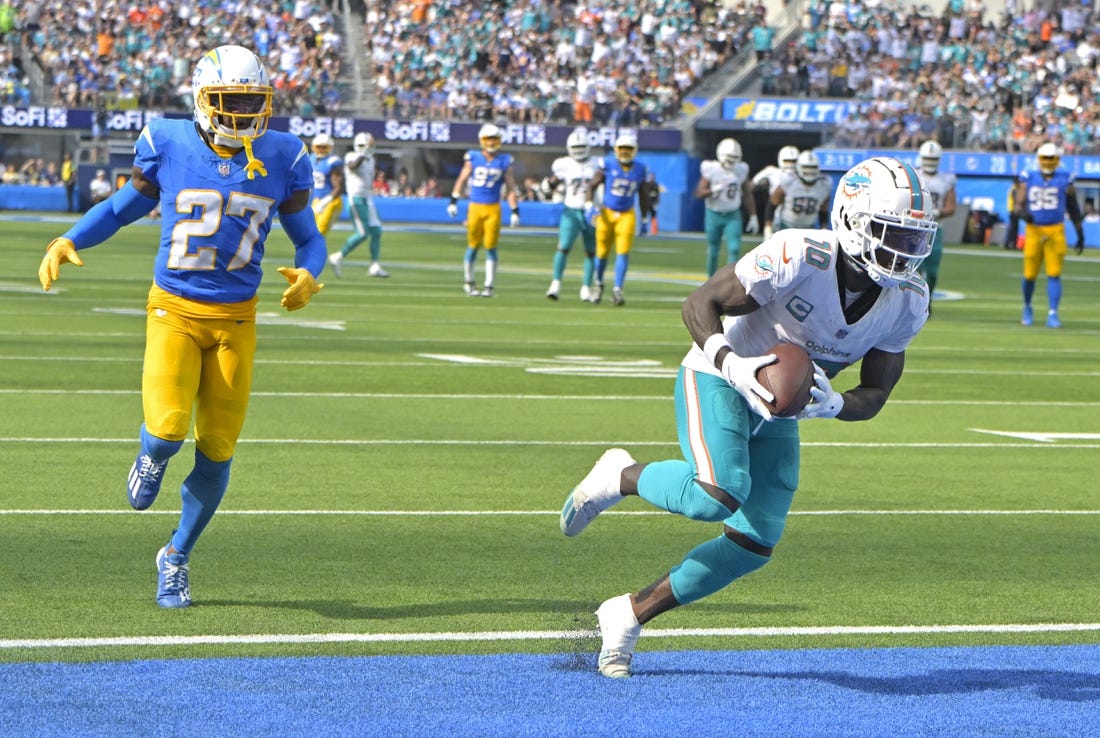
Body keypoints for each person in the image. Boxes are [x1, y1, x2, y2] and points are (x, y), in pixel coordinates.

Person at [560, 156, 937, 679]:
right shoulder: (799, 253)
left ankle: (627, 613)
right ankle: (619, 475)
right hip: (720, 376)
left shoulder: (908, 301)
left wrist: (833, 405)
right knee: (717, 494)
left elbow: (876, 392)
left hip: (780, 411)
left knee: (754, 543)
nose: (903, 251)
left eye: (913, 239)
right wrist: (729, 362)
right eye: (890, 233)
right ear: (851, 219)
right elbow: (700, 303)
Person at [36, 45, 326, 609]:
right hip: (174, 308)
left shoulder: (286, 155)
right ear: (200, 99)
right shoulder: (166, 141)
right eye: (228, 100)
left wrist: (311, 275)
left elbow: (308, 237)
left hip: (237, 319)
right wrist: (69, 237)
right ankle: (151, 453)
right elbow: (122, 208)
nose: (242, 112)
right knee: (168, 430)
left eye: (251, 99)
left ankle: (176, 555)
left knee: (217, 450)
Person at [1013, 142, 1084, 328]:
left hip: (1056, 230)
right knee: (1029, 274)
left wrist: (1079, 230)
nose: (1048, 161)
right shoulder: (1029, 176)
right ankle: (1027, 306)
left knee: (1054, 273)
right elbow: (1018, 204)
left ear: (1058, 159)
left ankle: (1053, 312)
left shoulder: (1065, 178)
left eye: (1051, 158)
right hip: (1034, 230)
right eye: (1045, 158)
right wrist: (1022, 214)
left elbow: (1073, 206)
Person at [447, 122, 520, 297]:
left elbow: (510, 188)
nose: (491, 143)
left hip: (493, 208)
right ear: (482, 140)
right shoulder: (473, 157)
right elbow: (462, 179)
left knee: (491, 247)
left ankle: (489, 285)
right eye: (488, 139)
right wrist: (453, 200)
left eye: (494, 139)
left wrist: (515, 210)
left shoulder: (505, 161)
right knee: (472, 246)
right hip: (475, 207)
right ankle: (469, 281)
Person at [584, 131, 651, 306]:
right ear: (616, 149)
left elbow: (643, 195)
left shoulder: (640, 169)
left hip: (627, 214)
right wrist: (589, 206)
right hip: (606, 212)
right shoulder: (607, 164)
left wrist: (645, 219)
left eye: (629, 149)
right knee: (602, 253)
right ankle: (598, 284)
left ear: (635, 150)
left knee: (623, 252)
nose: (625, 152)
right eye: (622, 149)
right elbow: (591, 186)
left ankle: (617, 289)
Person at [544, 130, 598, 301]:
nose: (579, 151)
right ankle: (555, 284)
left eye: (582, 147)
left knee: (590, 252)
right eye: (576, 147)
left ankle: (585, 288)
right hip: (571, 209)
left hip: (591, 211)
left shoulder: (597, 163)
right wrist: (548, 185)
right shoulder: (564, 164)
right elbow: (554, 181)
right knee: (563, 247)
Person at [327, 132, 388, 278]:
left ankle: (374, 265)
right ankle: (337, 256)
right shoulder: (351, 156)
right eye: (363, 146)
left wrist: (367, 153)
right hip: (356, 199)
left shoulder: (371, 160)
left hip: (368, 199)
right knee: (362, 233)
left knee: (377, 231)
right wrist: (365, 152)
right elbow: (353, 166)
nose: (365, 149)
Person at [694, 137, 758, 276]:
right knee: (713, 251)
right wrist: (712, 191)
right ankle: (710, 281)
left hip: (732, 214)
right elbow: (699, 193)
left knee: (734, 249)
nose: (731, 160)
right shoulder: (711, 169)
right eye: (728, 157)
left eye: (734, 157)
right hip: (713, 213)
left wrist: (753, 215)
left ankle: (730, 281)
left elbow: (747, 193)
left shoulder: (741, 169)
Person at [915, 140, 957, 300]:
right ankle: (916, 300)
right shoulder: (915, 176)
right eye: (927, 159)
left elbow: (951, 207)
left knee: (932, 271)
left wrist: (937, 212)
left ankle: (928, 298)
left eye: (933, 159)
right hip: (916, 227)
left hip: (935, 229)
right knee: (915, 268)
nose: (930, 162)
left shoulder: (946, 180)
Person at [763, 150, 831, 239]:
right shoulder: (789, 180)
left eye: (812, 167)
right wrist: (768, 227)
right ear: (799, 167)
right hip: (787, 226)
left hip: (809, 228)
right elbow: (772, 203)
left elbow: (823, 209)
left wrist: (823, 228)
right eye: (806, 167)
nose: (809, 171)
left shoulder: (824, 184)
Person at [310, 132, 345, 237]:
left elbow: (339, 187)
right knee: (310, 233)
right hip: (316, 200)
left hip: (331, 201)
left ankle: (317, 253)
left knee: (319, 234)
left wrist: (325, 202)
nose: (320, 150)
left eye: (324, 147)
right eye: (318, 147)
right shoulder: (311, 159)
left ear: (329, 147)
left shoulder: (333, 162)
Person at [639, 172, 660, 236]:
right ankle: (643, 230)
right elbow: (644, 194)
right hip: (645, 204)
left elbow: (657, 195)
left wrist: (656, 203)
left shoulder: (655, 185)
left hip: (652, 204)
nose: (651, 178)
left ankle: (654, 231)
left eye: (652, 177)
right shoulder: (645, 184)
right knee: (644, 217)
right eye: (650, 176)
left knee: (653, 217)